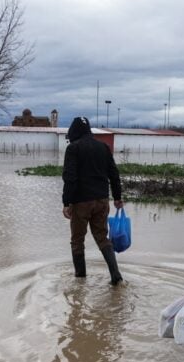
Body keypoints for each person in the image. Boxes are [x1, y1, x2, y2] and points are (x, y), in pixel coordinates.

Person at [62, 116, 124, 285]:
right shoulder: (103, 147)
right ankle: (115, 275)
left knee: (77, 241)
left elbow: (70, 177)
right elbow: (114, 174)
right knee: (103, 238)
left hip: (81, 202)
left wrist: (66, 203)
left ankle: (80, 280)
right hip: (102, 201)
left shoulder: (73, 148)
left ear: (74, 132)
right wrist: (117, 197)